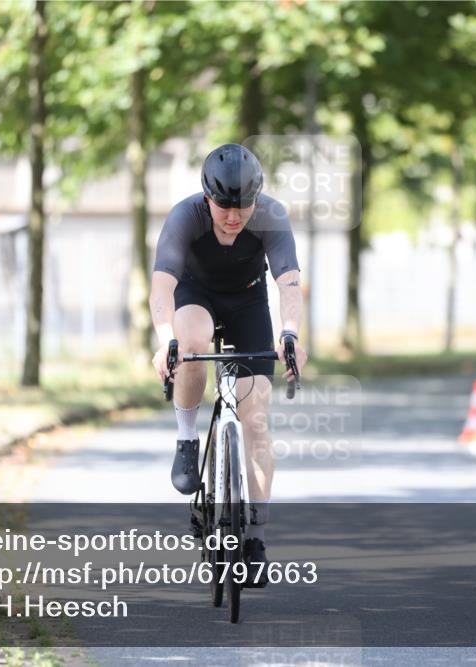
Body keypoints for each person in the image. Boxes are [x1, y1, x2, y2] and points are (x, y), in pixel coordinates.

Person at [149, 143, 308, 586]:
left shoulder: (272, 217)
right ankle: (186, 438)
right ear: (207, 198)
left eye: (243, 207)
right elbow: (162, 288)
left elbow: (289, 285)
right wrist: (167, 342)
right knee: (193, 343)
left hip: (248, 303)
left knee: (255, 418)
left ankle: (255, 536)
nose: (234, 217)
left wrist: (290, 333)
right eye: (224, 207)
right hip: (195, 297)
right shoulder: (185, 217)